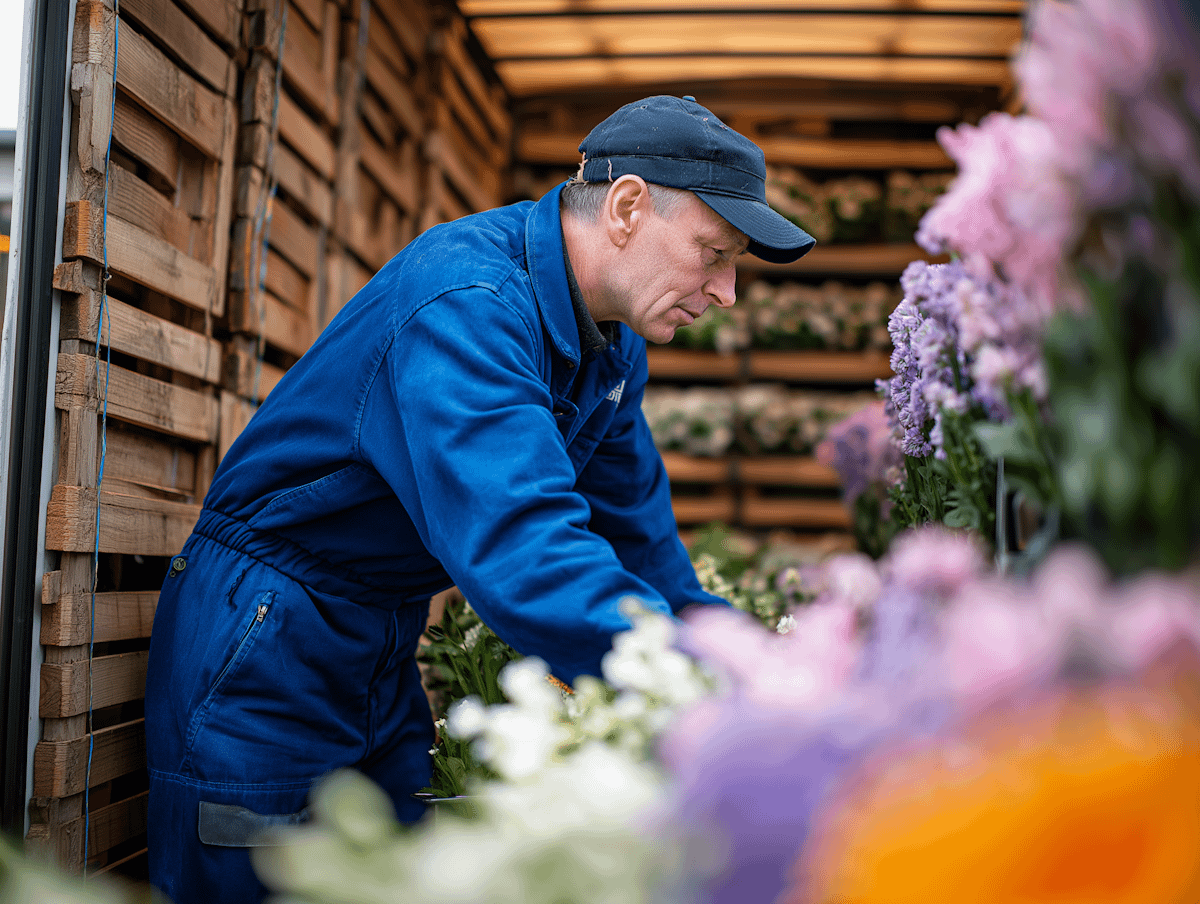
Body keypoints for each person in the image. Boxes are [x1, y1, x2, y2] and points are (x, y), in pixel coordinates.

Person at [143, 94, 815, 903]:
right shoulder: (468, 302)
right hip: (267, 634)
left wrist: (760, 668)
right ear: (629, 206)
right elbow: (522, 549)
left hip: (379, 640)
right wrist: (697, 693)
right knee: (257, 881)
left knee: (394, 881)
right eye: (714, 253)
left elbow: (643, 549)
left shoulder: (612, 350)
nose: (728, 291)